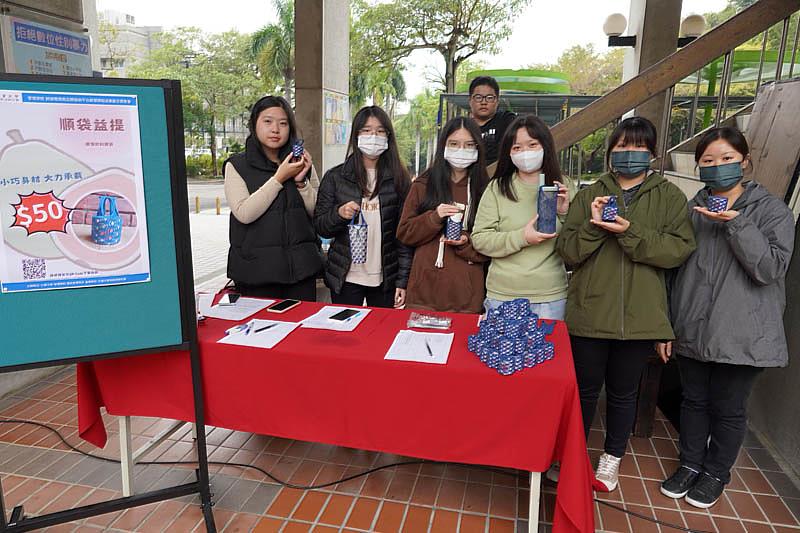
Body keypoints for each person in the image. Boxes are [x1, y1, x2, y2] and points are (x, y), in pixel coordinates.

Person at [555, 116, 696, 491]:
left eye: (637, 148)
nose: (629, 154)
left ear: (652, 153)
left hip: (639, 318)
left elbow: (677, 251)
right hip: (589, 312)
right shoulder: (591, 193)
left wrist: (629, 231)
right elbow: (567, 251)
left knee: (623, 393)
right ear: (610, 152)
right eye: (621, 147)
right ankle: (572, 455)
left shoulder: (669, 196)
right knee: (583, 391)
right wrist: (593, 226)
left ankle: (611, 459)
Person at [658, 127, 795, 509]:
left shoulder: (771, 211)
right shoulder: (692, 209)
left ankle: (716, 472)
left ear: (745, 161)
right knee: (694, 401)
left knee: (729, 407)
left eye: (727, 159)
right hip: (693, 325)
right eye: (708, 161)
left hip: (743, 332)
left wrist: (735, 223)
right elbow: (673, 272)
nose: (717, 167)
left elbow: (769, 269)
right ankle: (689, 464)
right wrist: (667, 325)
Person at [472, 115, 571, 319]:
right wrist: (522, 238)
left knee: (548, 352)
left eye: (532, 144)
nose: (525, 153)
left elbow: (577, 244)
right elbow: (480, 240)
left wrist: (563, 213)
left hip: (550, 296)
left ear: (546, 147)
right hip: (503, 295)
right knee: (501, 352)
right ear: (508, 152)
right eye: (517, 148)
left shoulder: (565, 187)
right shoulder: (497, 188)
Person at [223, 95, 321, 300]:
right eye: (268, 121)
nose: (275, 129)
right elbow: (244, 213)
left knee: (301, 330)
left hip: (301, 273)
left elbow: (317, 212)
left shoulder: (301, 162)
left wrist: (301, 182)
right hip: (257, 274)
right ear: (254, 124)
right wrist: (279, 178)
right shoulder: (237, 165)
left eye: (283, 123)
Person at [314, 106, 412, 308]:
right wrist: (339, 214)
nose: (373, 136)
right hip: (345, 276)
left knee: (380, 334)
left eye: (380, 131)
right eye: (366, 131)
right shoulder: (336, 177)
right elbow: (321, 226)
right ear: (356, 135)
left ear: (388, 136)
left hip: (385, 278)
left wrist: (402, 280)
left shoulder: (400, 180)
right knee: (345, 335)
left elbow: (404, 236)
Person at [396, 117, 489, 313]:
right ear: (443, 146)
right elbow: (404, 233)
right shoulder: (423, 184)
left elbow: (492, 246)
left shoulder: (485, 190)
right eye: (454, 144)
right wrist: (434, 217)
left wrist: (465, 243)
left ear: (478, 149)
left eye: (469, 145)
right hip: (424, 293)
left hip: (467, 297)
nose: (461, 151)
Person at [468, 76, 516, 165]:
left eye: (489, 98)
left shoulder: (507, 121)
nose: (483, 102)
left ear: (497, 101)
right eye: (478, 97)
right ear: (470, 101)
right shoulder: (464, 127)